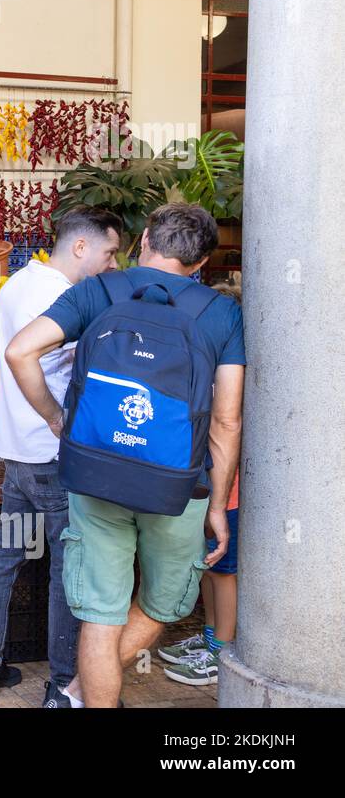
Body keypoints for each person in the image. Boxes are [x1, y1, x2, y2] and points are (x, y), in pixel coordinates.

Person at [5, 204, 243, 708]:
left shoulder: (99, 291)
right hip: (180, 486)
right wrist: (219, 507)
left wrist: (56, 419)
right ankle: (74, 693)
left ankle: (77, 693)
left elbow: (19, 351)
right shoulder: (221, 313)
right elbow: (226, 420)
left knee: (100, 612)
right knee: (161, 604)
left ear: (146, 241)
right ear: (201, 264)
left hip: (96, 474)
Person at [0, 206, 123, 707]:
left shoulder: (15, 283)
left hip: (15, 451)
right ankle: (61, 682)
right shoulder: (63, 296)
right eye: (108, 253)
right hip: (53, 455)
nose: (109, 264)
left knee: (4, 557)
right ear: (81, 247)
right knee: (65, 569)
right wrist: (58, 418)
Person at [159, 280, 241, 686]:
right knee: (208, 563)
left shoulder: (234, 377)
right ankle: (210, 638)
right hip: (211, 480)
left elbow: (227, 425)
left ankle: (222, 652)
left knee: (224, 569)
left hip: (230, 486)